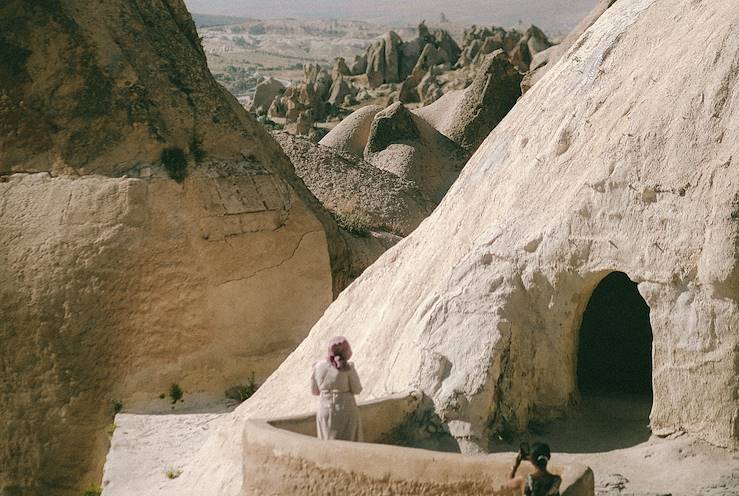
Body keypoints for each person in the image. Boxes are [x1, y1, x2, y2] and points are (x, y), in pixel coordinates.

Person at [311, 336, 363, 441]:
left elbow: (315, 391)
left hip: (324, 408)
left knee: (327, 443)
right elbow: (357, 389)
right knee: (349, 444)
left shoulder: (317, 366)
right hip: (345, 409)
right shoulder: (347, 368)